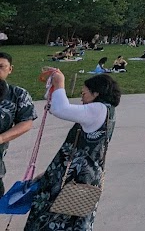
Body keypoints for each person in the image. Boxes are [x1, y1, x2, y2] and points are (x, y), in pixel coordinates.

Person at [25, 70, 120, 231]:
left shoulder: (97, 110)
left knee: (56, 219)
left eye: (84, 93)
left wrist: (59, 82)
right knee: (72, 220)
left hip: (74, 179)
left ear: (96, 93)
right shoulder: (106, 110)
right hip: (84, 177)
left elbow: (61, 109)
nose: (81, 97)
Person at [0, 52, 36, 197]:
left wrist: (1, 138)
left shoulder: (18, 94)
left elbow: (26, 123)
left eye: (1, 66)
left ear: (10, 69)